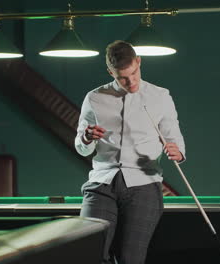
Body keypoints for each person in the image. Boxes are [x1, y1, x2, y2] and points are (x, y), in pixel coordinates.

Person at [74, 40, 186, 264]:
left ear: (139, 62)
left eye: (134, 73)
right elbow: (81, 145)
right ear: (110, 72)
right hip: (102, 184)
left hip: (144, 185)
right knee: (89, 254)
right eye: (122, 77)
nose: (131, 81)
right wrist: (86, 138)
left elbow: (175, 140)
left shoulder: (160, 96)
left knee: (130, 259)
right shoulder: (94, 98)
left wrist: (178, 152)